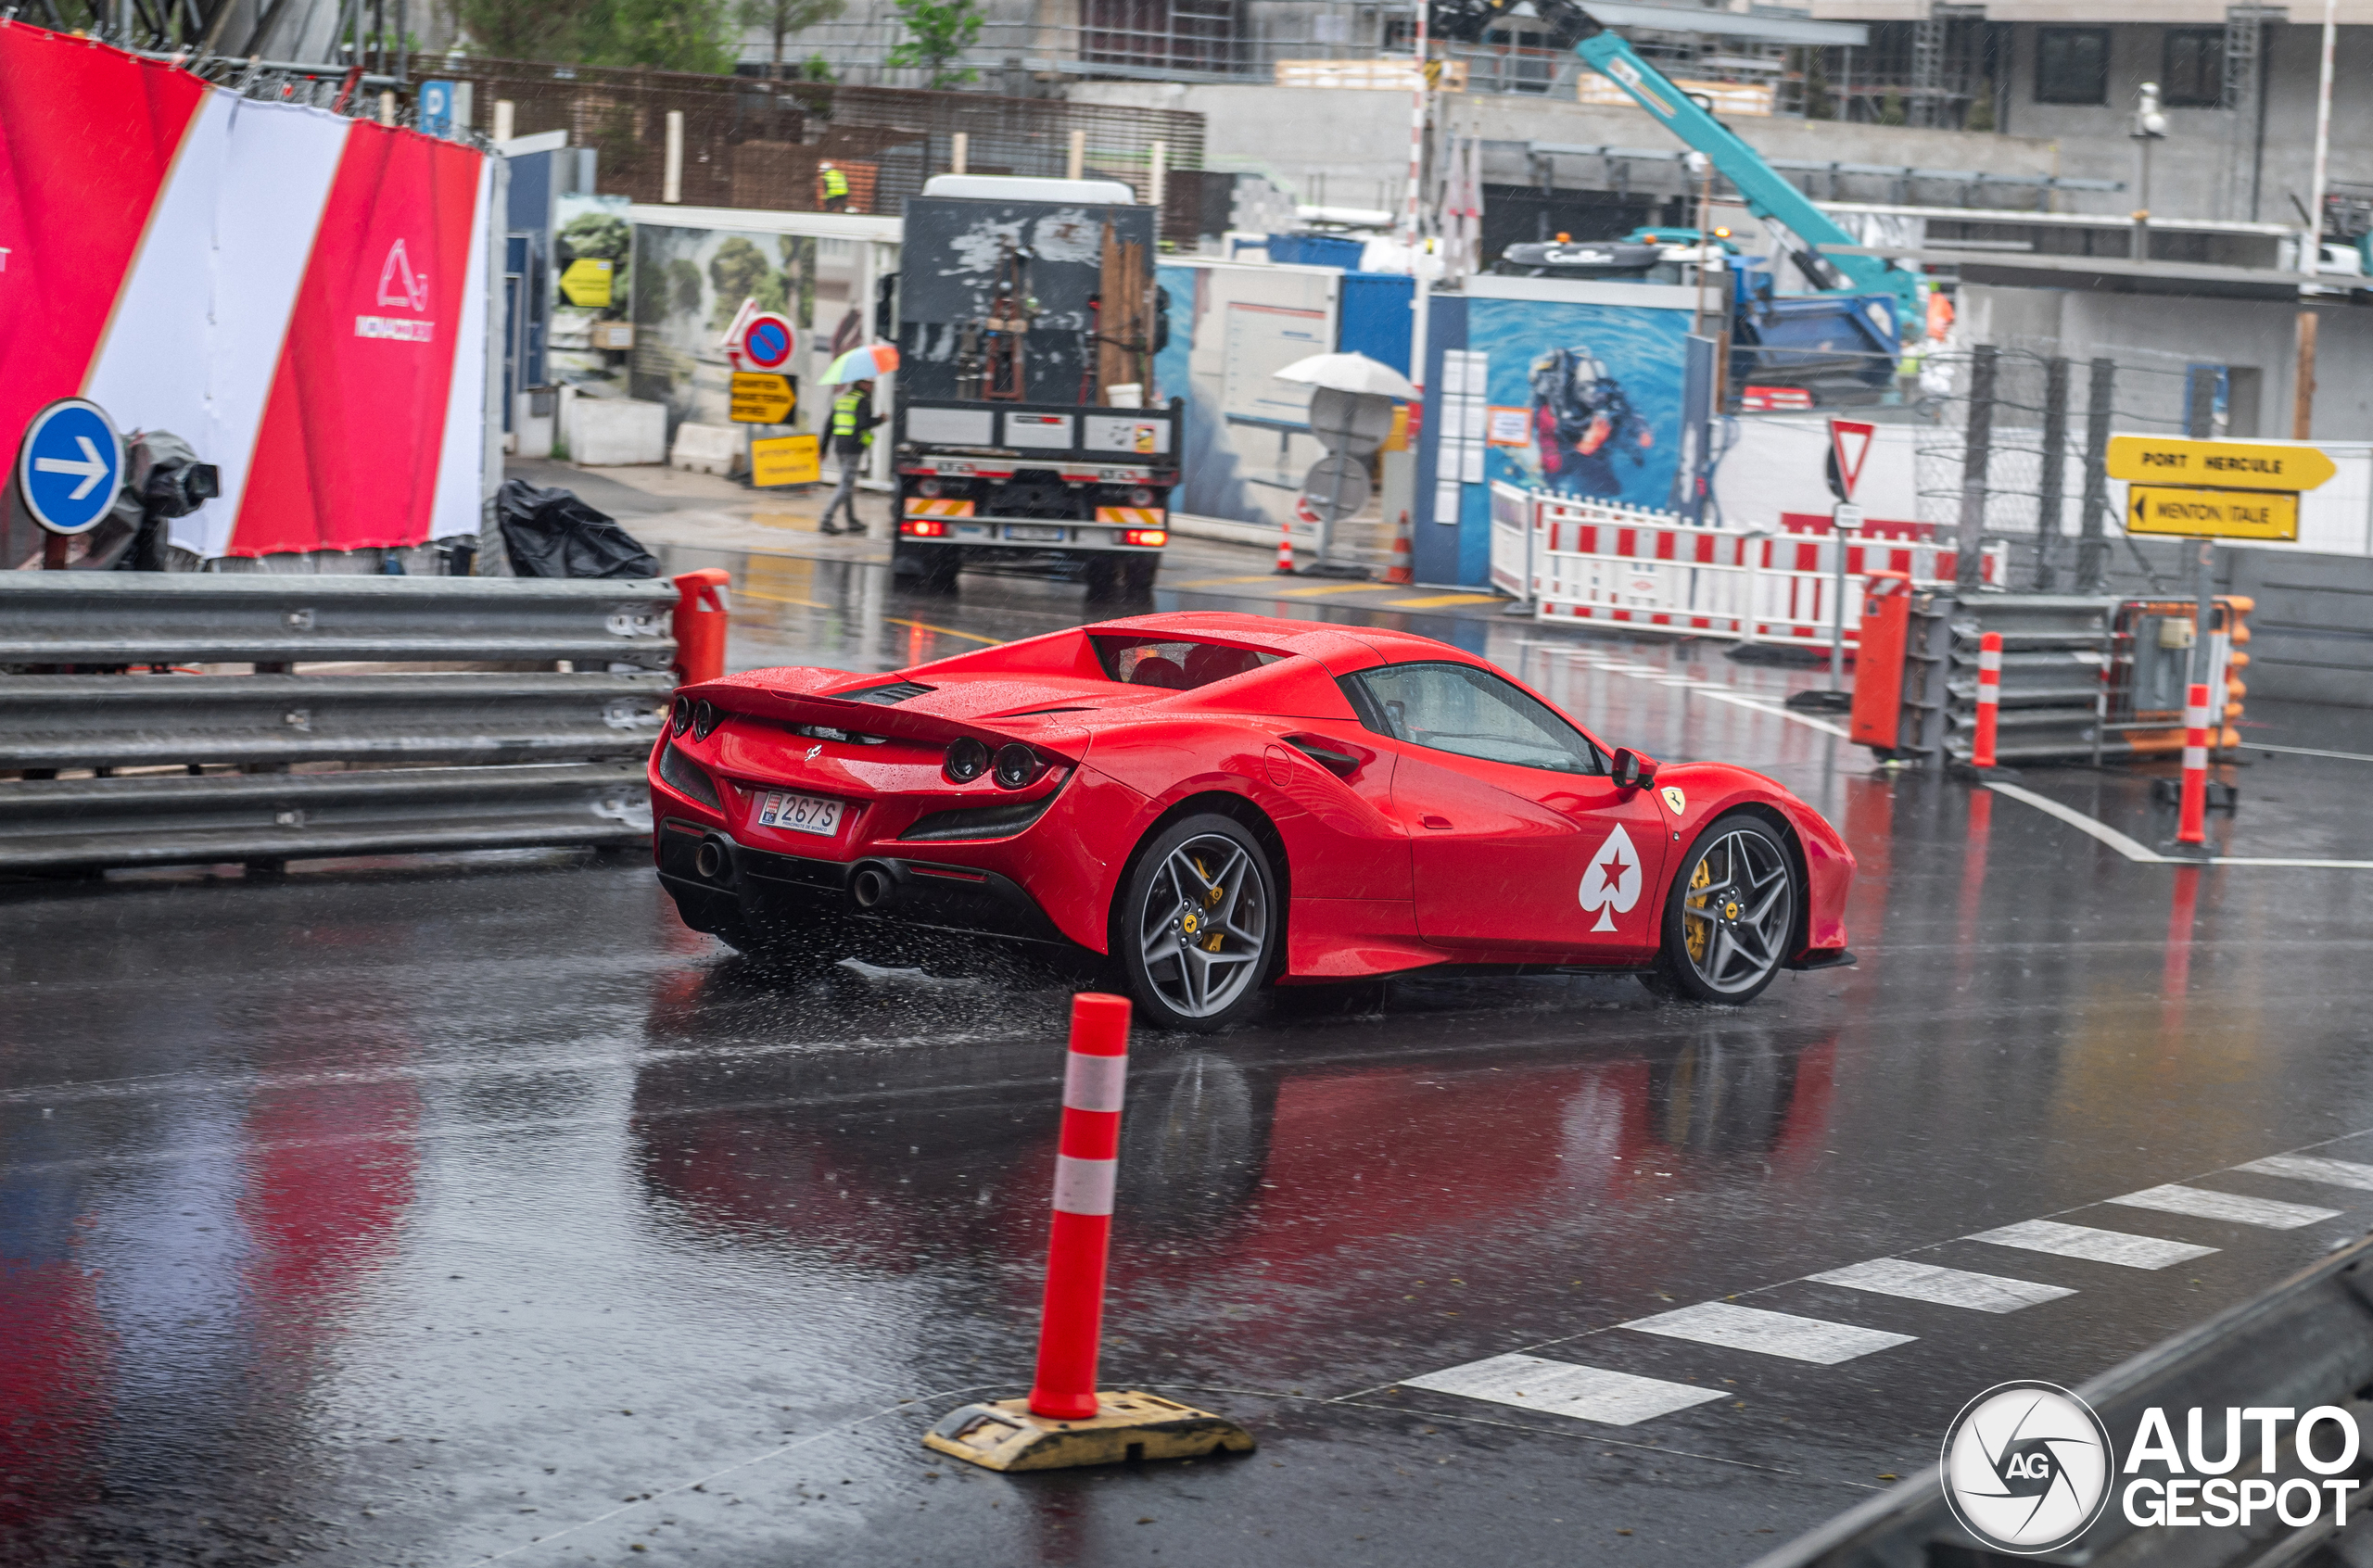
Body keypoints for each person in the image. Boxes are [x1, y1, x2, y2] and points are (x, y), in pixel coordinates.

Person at [820, 379, 878, 536]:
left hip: (840, 447)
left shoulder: (842, 400)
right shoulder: (863, 401)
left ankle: (851, 520)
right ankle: (826, 519)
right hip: (853, 448)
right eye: (870, 384)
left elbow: (829, 425)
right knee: (846, 485)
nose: (872, 387)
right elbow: (863, 423)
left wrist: (823, 448)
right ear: (862, 384)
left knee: (847, 484)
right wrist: (881, 419)